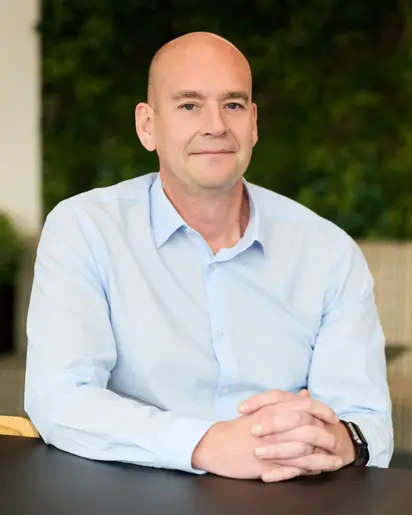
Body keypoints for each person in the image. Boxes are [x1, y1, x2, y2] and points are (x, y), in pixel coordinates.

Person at [25, 32, 393, 483]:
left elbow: (368, 422)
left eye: (233, 104)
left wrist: (339, 439)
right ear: (147, 126)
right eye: (189, 105)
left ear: (253, 123)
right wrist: (206, 443)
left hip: (291, 493)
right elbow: (59, 398)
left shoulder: (328, 250)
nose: (216, 125)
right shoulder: (85, 229)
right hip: (134, 494)